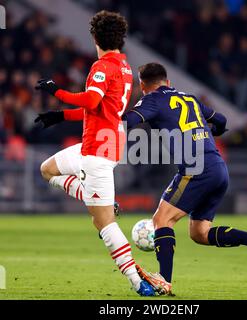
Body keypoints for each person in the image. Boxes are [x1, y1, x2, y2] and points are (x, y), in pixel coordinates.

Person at [122, 63, 247, 295]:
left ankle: (163, 279)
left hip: (196, 170)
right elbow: (221, 120)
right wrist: (213, 132)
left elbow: (129, 122)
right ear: (168, 82)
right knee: (199, 233)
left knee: (162, 220)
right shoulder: (189, 98)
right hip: (218, 168)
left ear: (142, 85)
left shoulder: (150, 100)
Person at [34, 11, 155, 296]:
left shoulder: (103, 66)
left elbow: (91, 99)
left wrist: (57, 91)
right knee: (47, 169)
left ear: (95, 38)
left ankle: (138, 282)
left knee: (102, 222)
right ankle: (98, 199)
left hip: (98, 151)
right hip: (100, 143)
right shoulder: (124, 67)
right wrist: (61, 116)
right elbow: (99, 108)